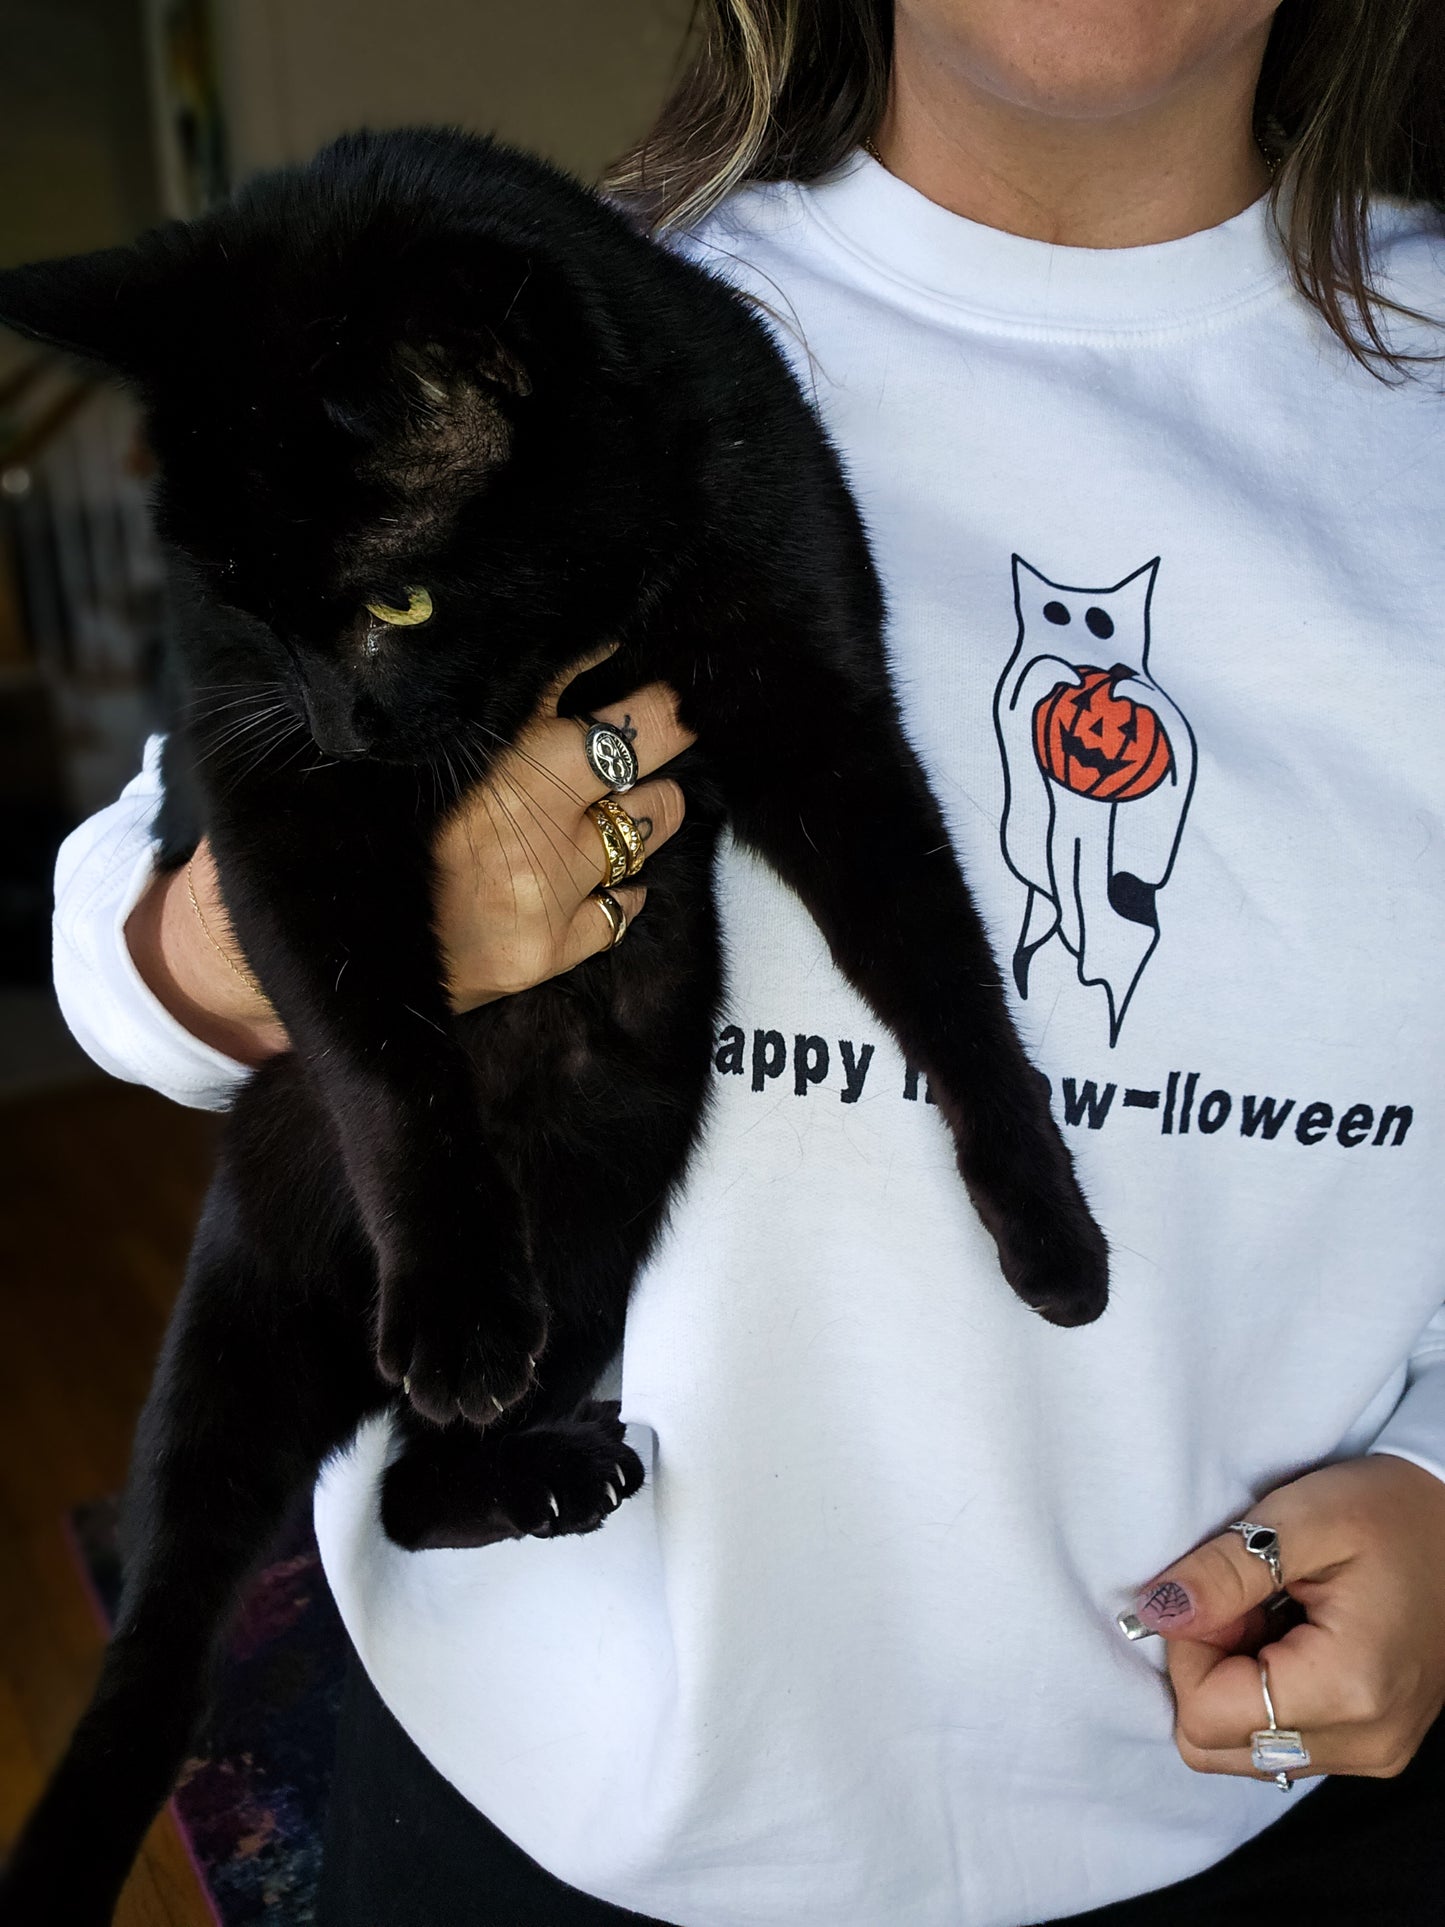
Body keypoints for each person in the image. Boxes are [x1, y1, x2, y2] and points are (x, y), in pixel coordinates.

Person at [52, 2, 1445, 1922]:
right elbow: (125, 938)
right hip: (540, 1804)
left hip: (1242, 1790)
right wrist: (216, 955)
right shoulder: (582, 322)